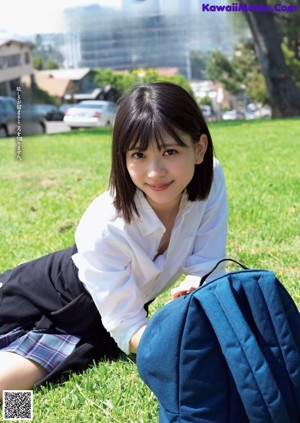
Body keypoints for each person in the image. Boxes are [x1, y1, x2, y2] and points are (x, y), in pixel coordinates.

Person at [0, 82, 227, 401]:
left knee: (27, 384)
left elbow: (208, 268)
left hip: (101, 319)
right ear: (123, 157)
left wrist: (196, 294)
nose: (155, 171)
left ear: (199, 148)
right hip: (47, 297)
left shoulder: (210, 181)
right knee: (4, 390)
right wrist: (184, 353)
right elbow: (130, 328)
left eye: (170, 151)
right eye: (139, 154)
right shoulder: (104, 223)